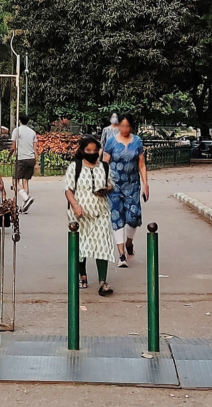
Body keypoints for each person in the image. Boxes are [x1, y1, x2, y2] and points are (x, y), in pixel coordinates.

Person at [64, 135, 116, 296]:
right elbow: (68, 189)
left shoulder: (105, 167)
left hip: (101, 212)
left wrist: (106, 189)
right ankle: (83, 276)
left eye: (95, 150)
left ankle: (102, 282)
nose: (92, 153)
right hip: (80, 214)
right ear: (81, 150)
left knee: (103, 244)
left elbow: (111, 184)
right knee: (81, 245)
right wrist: (75, 205)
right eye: (88, 150)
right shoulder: (75, 167)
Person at [103, 113, 149, 268]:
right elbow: (105, 163)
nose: (124, 129)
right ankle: (121, 254)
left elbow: (141, 164)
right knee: (117, 218)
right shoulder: (111, 142)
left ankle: (129, 242)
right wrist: (104, 182)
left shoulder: (137, 141)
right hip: (114, 185)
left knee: (133, 217)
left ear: (131, 126)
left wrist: (145, 184)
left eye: (127, 126)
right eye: (122, 126)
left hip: (132, 185)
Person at [10, 113, 38, 213]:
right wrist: (36, 162)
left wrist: (10, 154)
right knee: (25, 181)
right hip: (31, 158)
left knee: (15, 181)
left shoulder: (16, 131)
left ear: (19, 121)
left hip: (21, 158)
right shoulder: (32, 132)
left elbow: (13, 147)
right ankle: (24, 206)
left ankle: (26, 198)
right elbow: (35, 149)